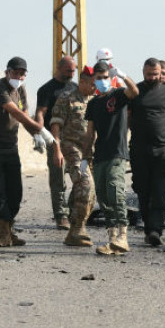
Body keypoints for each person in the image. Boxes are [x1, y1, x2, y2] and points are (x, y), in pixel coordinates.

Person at [0, 57, 50, 247]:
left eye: (22, 74)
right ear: (7, 72)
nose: (19, 77)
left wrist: (34, 134)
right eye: (15, 73)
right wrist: (41, 129)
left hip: (10, 147)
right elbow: (15, 112)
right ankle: (2, 232)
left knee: (15, 192)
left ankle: (9, 230)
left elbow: (24, 114)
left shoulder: (21, 90)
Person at [84, 61, 140, 255]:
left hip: (117, 152)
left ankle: (123, 235)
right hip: (100, 155)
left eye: (105, 77)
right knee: (103, 196)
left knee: (115, 190)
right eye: (98, 78)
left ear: (110, 77)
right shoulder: (93, 104)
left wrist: (123, 76)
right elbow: (90, 133)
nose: (102, 81)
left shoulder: (118, 95)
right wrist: (85, 157)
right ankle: (112, 238)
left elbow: (134, 92)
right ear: (94, 80)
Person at [130, 58, 165, 246]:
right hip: (139, 150)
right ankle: (148, 227)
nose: (153, 77)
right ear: (143, 72)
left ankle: (156, 230)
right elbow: (127, 119)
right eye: (149, 74)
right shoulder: (135, 92)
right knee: (143, 191)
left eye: (156, 74)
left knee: (162, 189)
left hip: (163, 150)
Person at [50, 66, 98, 247]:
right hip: (72, 147)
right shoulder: (67, 98)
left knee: (90, 192)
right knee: (85, 185)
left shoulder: (96, 100)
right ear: (83, 82)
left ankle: (75, 221)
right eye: (92, 84)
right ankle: (76, 230)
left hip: (90, 151)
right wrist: (57, 150)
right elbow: (56, 125)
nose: (95, 87)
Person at [34, 56, 78, 230]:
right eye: (68, 70)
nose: (71, 73)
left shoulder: (76, 89)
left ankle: (74, 209)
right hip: (55, 141)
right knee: (58, 178)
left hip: (75, 140)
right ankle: (61, 215)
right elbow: (40, 113)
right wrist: (38, 132)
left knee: (81, 177)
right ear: (59, 69)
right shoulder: (47, 89)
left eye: (73, 71)